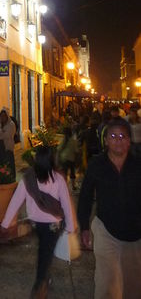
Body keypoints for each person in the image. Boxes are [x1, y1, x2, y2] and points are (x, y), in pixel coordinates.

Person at [77, 117, 141, 299]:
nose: (118, 140)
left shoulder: (138, 164)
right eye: (113, 136)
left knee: (133, 286)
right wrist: (84, 227)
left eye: (122, 136)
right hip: (106, 230)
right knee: (107, 284)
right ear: (106, 140)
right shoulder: (97, 165)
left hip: (136, 235)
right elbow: (85, 196)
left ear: (129, 141)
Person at [1, 146, 75, 298]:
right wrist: (71, 226)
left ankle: (44, 280)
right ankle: (40, 285)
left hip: (36, 224)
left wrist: (5, 223)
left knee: (44, 252)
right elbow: (66, 204)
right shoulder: (58, 179)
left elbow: (16, 201)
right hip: (53, 226)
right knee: (45, 253)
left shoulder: (28, 179)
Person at [0, 108, 16, 179]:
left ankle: (10, 180)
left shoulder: (11, 124)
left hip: (7, 148)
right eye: (1, 116)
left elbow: (7, 135)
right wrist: (1, 131)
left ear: (7, 116)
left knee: (8, 165)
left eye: (4, 116)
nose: (3, 117)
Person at [57, 126, 79, 191]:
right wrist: (77, 160)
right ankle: (73, 186)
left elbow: (58, 149)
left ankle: (65, 187)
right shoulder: (74, 141)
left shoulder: (63, 140)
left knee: (65, 173)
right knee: (72, 173)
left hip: (64, 159)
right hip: (71, 159)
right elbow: (76, 151)